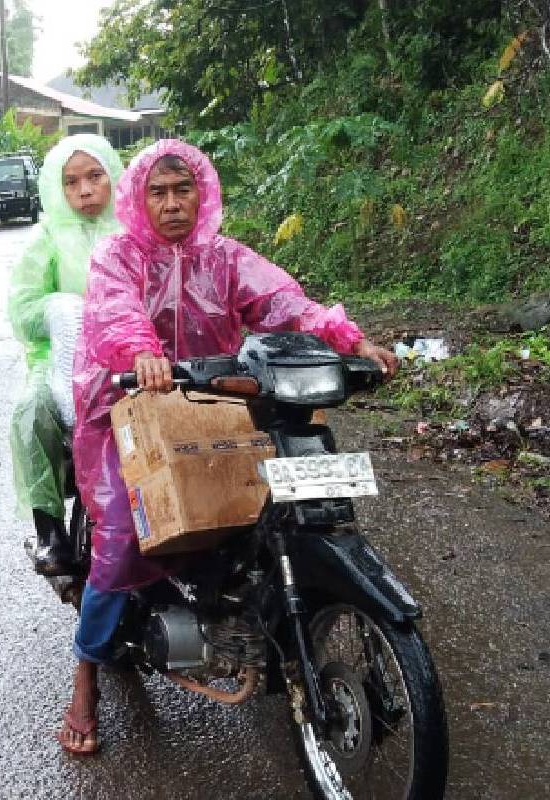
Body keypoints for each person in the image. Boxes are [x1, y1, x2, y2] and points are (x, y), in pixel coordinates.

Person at [59, 139, 399, 755]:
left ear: (202, 194)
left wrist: (348, 339)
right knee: (122, 532)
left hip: (216, 398)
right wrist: (143, 352)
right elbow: (113, 312)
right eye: (157, 193)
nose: (171, 205)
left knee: (267, 504)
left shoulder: (225, 257)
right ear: (139, 198)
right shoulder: (119, 254)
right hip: (127, 401)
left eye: (182, 190)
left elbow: (284, 301)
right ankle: (86, 670)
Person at [8, 134, 125, 576]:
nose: (85, 190)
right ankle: (50, 528)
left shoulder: (136, 229)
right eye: (71, 181)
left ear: (113, 175)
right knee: (30, 412)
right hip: (61, 362)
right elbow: (22, 310)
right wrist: (62, 311)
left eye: (95, 176)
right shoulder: (47, 238)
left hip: (133, 358)